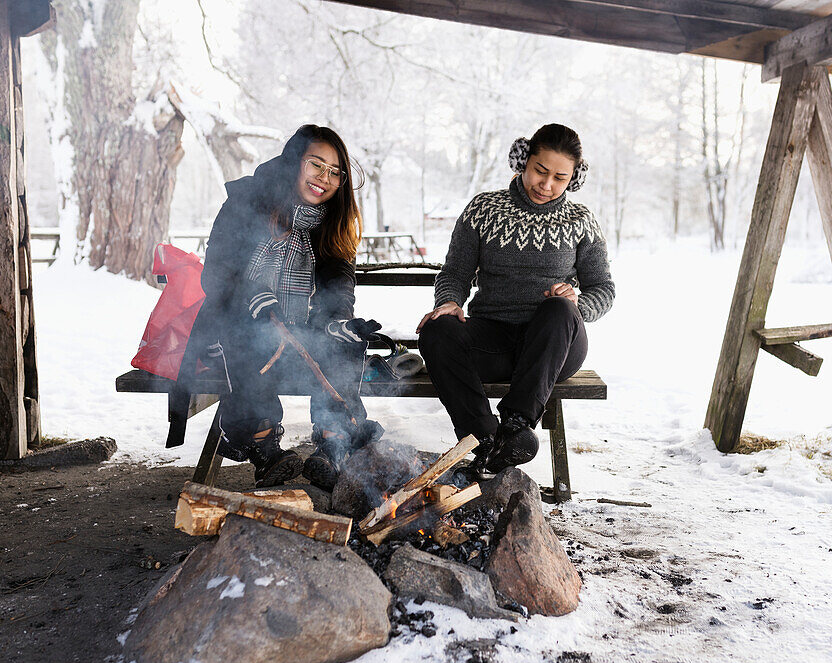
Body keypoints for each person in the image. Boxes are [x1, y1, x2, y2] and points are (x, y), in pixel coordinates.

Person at [186, 125, 382, 490]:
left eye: (335, 172)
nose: (325, 178)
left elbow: (338, 282)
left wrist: (337, 321)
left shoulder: (331, 224)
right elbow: (217, 271)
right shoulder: (247, 202)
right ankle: (263, 446)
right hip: (237, 322)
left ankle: (333, 443)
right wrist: (253, 296)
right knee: (249, 335)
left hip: (298, 331)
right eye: (316, 165)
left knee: (344, 342)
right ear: (294, 162)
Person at [417, 123, 615, 478]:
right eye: (540, 171)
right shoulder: (484, 209)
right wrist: (449, 301)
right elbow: (455, 273)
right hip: (494, 340)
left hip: (554, 346)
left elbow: (603, 288)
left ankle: (516, 425)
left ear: (575, 178)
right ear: (523, 161)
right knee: (436, 330)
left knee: (557, 308)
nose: (547, 184)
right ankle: (485, 439)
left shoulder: (581, 220)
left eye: (560, 177)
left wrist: (577, 304)